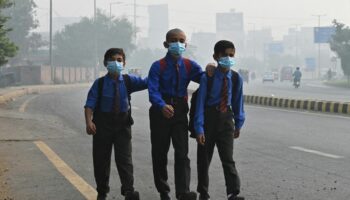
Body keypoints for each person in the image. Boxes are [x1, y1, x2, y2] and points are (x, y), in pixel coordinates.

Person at [148, 28, 208, 200]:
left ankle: (183, 192)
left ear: (186, 44)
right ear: (166, 44)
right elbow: (152, 91)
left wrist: (211, 69)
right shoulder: (157, 66)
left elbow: (205, 78)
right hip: (160, 113)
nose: (178, 43)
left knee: (182, 153)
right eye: (174, 40)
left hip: (180, 112)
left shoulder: (190, 66)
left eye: (181, 40)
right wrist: (161, 105)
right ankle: (163, 190)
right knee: (160, 153)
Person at [84, 48, 147, 200]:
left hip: (122, 125)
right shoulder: (99, 84)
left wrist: (160, 72)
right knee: (101, 160)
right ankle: (102, 191)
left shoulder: (128, 81)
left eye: (119, 60)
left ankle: (128, 191)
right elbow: (89, 105)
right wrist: (89, 122)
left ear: (124, 63)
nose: (116, 63)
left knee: (125, 159)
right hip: (102, 125)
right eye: (112, 60)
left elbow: (148, 82)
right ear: (106, 63)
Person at [194, 40, 245, 200]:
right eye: (225, 55)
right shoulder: (207, 77)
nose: (228, 59)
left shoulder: (236, 78)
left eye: (231, 55)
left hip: (226, 120)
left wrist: (238, 123)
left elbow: (238, 102)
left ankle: (233, 192)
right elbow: (200, 104)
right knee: (204, 159)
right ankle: (203, 192)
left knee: (228, 159)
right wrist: (199, 128)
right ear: (215, 56)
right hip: (209, 118)